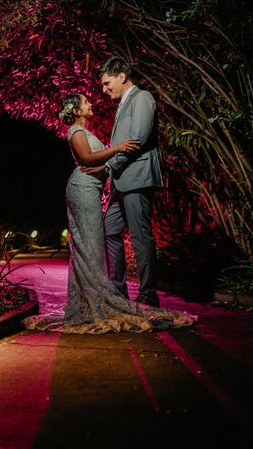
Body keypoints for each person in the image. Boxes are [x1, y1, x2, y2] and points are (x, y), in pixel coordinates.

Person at [23, 93, 195, 333]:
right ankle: (92, 300)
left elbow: (97, 163)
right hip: (82, 189)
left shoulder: (85, 130)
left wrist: (107, 163)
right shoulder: (76, 131)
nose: (91, 103)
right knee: (90, 246)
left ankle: (94, 297)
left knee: (93, 246)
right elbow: (86, 158)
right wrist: (118, 148)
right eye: (85, 102)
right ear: (75, 110)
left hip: (91, 190)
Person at [98, 56, 162, 307]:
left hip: (137, 178)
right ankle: (117, 290)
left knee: (140, 236)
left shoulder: (142, 98)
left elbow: (138, 139)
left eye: (107, 83)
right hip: (121, 182)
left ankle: (148, 293)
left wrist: (108, 166)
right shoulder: (123, 103)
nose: (104, 89)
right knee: (109, 229)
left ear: (122, 77)